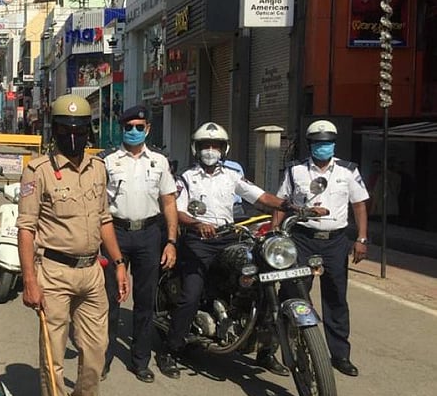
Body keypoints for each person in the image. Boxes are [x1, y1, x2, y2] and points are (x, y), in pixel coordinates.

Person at [17, 94, 129, 396]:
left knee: (96, 349)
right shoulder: (38, 171)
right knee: (53, 355)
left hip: (92, 272)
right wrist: (30, 280)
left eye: (81, 130)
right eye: (67, 130)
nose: (75, 137)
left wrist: (119, 261)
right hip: (55, 273)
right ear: (56, 131)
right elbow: (26, 228)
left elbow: (104, 219)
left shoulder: (98, 168)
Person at [158, 122, 292, 379]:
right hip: (198, 242)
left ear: (224, 149)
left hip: (229, 238)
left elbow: (261, 197)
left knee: (260, 281)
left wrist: (289, 204)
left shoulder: (232, 175)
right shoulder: (186, 178)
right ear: (197, 149)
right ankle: (170, 350)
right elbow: (178, 210)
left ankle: (265, 348)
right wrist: (198, 224)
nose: (211, 150)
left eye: (215, 145)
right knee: (191, 294)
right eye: (206, 146)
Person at [273, 119, 369, 377]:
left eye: (327, 143)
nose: (323, 147)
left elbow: (359, 205)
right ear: (310, 145)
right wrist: (275, 233)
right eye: (318, 143)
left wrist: (361, 239)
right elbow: (281, 203)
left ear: (334, 144)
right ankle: (284, 348)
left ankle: (340, 355)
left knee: (336, 297)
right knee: (293, 292)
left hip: (336, 241)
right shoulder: (295, 171)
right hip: (302, 238)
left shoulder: (348, 171)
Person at [101, 105, 178, 383]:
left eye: (138, 127)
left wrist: (171, 241)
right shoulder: (108, 161)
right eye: (128, 127)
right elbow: (100, 204)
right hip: (115, 233)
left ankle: (140, 360)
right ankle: (104, 358)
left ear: (147, 129)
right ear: (122, 129)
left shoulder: (159, 161)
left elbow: (169, 202)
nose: (133, 131)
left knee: (145, 302)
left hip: (149, 235)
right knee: (110, 300)